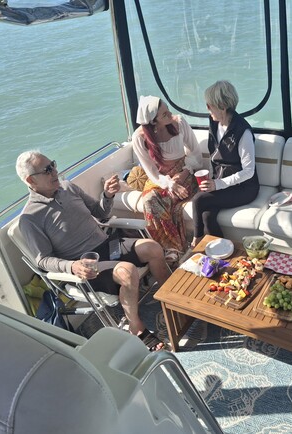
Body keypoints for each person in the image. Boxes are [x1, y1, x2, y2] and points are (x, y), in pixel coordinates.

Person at [15, 151, 171, 351]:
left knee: (153, 247)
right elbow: (43, 260)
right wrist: (72, 266)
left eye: (52, 165)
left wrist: (107, 195)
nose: (54, 171)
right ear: (31, 180)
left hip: (107, 245)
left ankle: (171, 300)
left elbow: (100, 212)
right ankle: (137, 328)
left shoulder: (68, 187)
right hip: (87, 264)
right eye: (47, 170)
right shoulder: (30, 218)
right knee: (127, 271)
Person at [132, 95, 203, 262]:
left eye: (168, 110)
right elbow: (151, 172)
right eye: (164, 114)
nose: (170, 115)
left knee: (170, 198)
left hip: (184, 172)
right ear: (153, 122)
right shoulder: (139, 137)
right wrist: (169, 183)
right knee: (149, 200)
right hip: (160, 179)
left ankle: (178, 249)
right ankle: (170, 247)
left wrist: (184, 173)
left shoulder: (179, 123)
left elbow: (196, 154)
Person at [190, 80, 259, 247]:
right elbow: (215, 155)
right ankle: (224, 251)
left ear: (222, 106)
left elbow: (248, 171)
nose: (207, 108)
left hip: (244, 188)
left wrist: (218, 184)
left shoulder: (243, 131)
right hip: (221, 182)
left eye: (209, 105)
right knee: (207, 215)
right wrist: (213, 180)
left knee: (198, 200)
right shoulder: (214, 122)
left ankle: (196, 240)